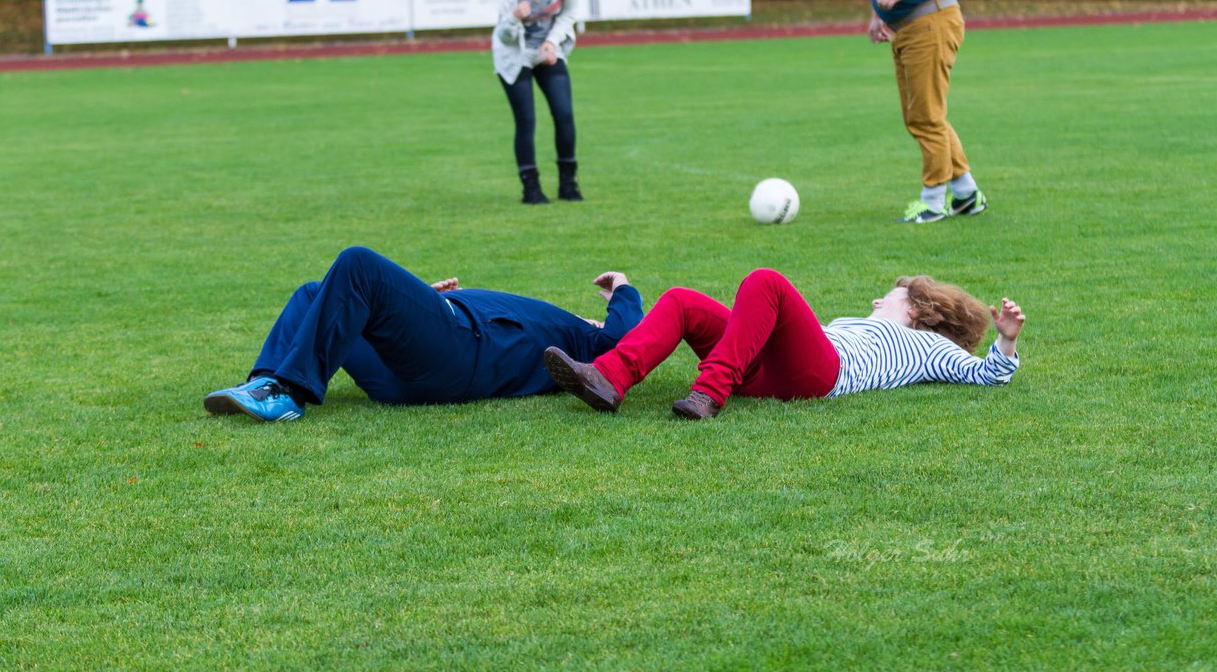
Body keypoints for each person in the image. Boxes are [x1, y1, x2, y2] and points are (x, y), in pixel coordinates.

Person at [205, 246, 642, 422]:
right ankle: (264, 382)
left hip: (458, 351)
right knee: (312, 294)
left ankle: (288, 395)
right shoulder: (563, 327)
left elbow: (625, 337)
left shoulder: (585, 344)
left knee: (358, 264)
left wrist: (623, 289)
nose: (598, 320)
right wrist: (417, 304)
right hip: (414, 368)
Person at [544, 269, 1025, 419]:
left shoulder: (922, 346)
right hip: (760, 368)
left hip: (825, 374)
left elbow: (984, 374)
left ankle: (709, 393)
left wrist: (1004, 341)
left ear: (917, 309)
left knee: (766, 281)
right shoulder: (858, 321)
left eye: (891, 296)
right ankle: (609, 377)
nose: (878, 298)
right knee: (682, 301)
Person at [868, 0, 987, 223]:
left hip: (930, 21)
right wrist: (879, 12)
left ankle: (933, 201)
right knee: (920, 114)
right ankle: (966, 193)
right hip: (906, 26)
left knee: (925, 116)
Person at [493, 0, 583, 205]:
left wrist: (552, 43)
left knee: (564, 114)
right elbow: (504, 35)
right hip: (515, 56)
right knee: (526, 121)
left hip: (548, 52)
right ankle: (531, 189)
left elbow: (570, 14)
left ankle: (568, 184)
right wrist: (513, 19)